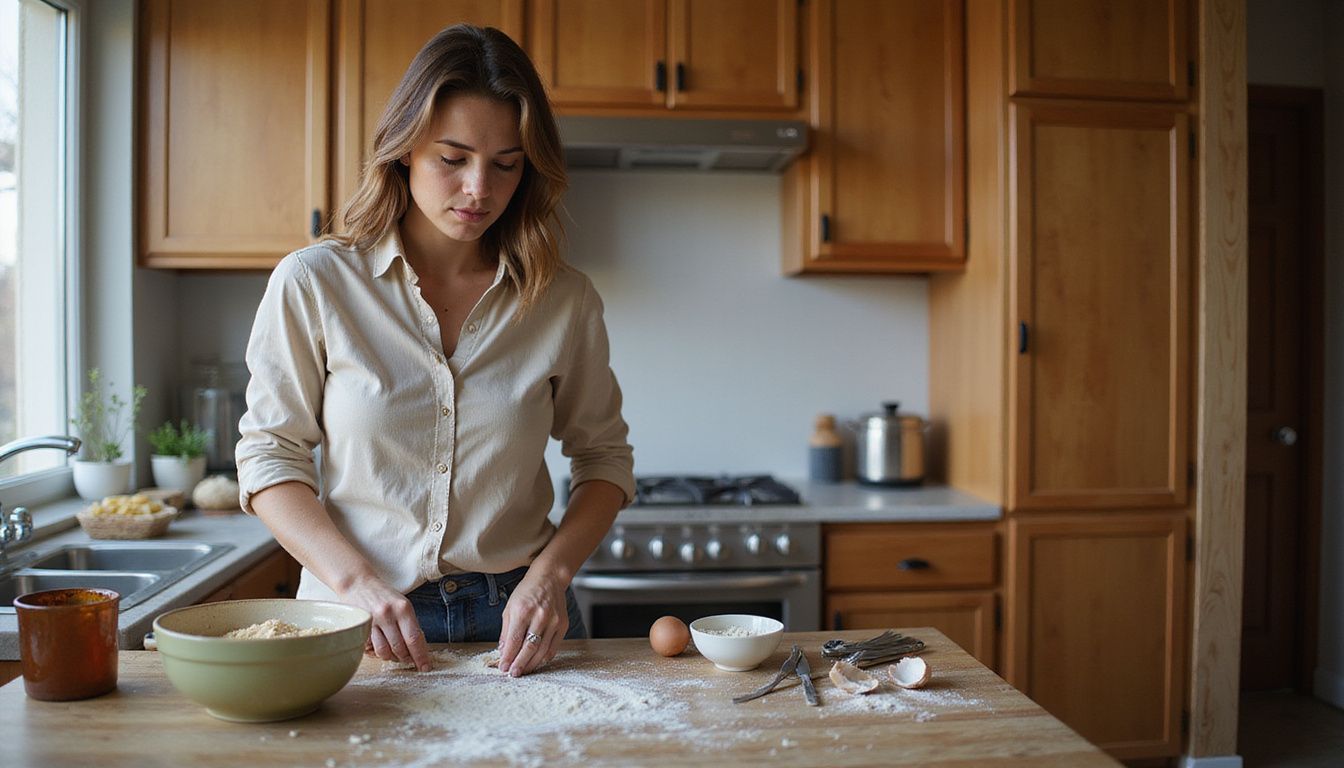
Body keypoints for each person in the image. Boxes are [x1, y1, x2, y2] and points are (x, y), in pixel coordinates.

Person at [235, 24, 634, 678]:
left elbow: (604, 459)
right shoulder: (317, 282)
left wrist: (551, 575)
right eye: (452, 158)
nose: (479, 188)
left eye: (506, 163)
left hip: (520, 620)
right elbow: (268, 453)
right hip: (356, 615)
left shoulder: (563, 300)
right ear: (403, 151)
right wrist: (355, 581)